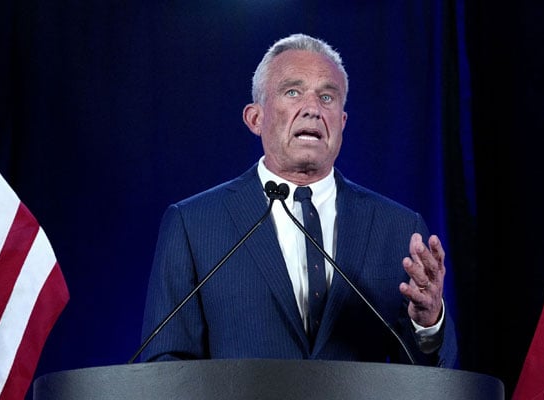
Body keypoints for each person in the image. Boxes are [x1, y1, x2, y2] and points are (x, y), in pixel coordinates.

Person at [140, 33, 458, 367]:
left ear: (342, 123)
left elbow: (431, 375)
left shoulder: (398, 228)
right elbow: (167, 364)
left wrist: (428, 323)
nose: (312, 109)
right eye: (292, 92)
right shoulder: (194, 223)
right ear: (255, 118)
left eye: (327, 97)